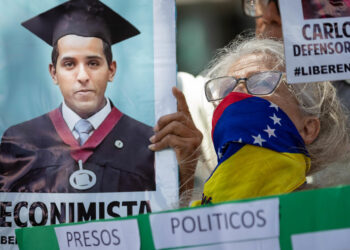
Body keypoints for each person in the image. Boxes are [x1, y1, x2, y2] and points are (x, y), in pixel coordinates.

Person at [0, 0, 156, 192]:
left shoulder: (147, 143)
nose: (82, 77)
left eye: (93, 63)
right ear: (53, 73)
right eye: (69, 64)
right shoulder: (19, 142)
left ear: (111, 70)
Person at [195, 37, 350, 204]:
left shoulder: (334, 213)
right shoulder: (196, 222)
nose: (237, 91)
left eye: (261, 82)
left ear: (307, 129)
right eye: (226, 88)